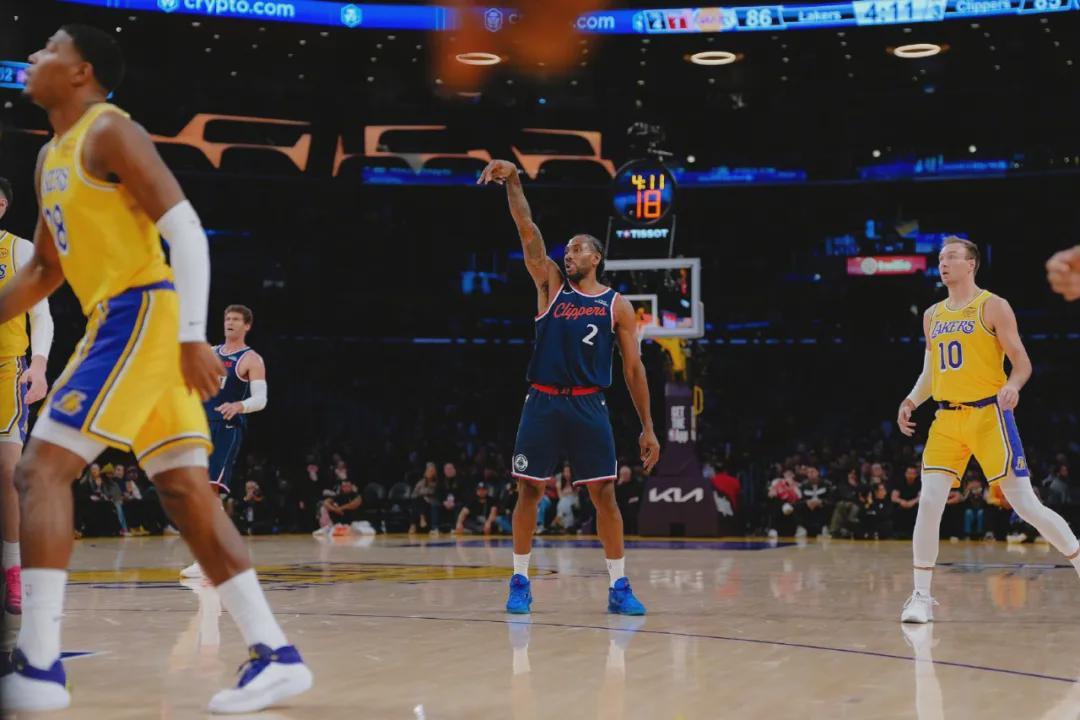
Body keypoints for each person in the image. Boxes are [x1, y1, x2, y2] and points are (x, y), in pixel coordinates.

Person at [1, 26, 311, 712]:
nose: (33, 58)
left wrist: (194, 337)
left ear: (80, 72)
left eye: (48, 49)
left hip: (139, 314)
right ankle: (276, 654)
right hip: (122, 321)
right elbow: (45, 270)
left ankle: (40, 667)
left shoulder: (110, 130)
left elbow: (186, 230)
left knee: (39, 470)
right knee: (185, 494)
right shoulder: (50, 155)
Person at [479, 159, 659, 616]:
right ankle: (520, 580)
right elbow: (527, 228)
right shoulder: (550, 284)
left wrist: (647, 427)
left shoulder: (617, 305)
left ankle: (619, 586)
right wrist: (513, 181)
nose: (569, 254)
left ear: (596, 258)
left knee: (605, 496)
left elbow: (634, 370)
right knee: (528, 491)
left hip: (589, 406)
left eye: (578, 249)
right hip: (542, 401)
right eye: (568, 249)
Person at [897, 237, 1080, 623]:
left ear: (971, 264)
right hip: (947, 420)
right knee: (929, 502)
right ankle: (921, 596)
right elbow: (931, 373)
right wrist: (911, 400)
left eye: (951, 257)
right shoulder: (932, 315)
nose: (943, 263)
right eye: (940, 258)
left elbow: (1022, 361)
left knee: (1025, 505)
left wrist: (1013, 385)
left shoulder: (993, 306)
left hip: (988, 415)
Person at [0, 176, 55, 617]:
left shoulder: (17, 249)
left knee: (7, 469)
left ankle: (14, 569)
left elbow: (41, 314)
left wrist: (38, 365)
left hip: (6, 367)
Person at [181, 305, 267, 578]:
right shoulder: (211, 352)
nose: (229, 322)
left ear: (247, 326)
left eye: (236, 319)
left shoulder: (251, 359)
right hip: (202, 423)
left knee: (210, 490)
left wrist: (239, 406)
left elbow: (261, 399)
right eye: (227, 318)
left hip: (227, 426)